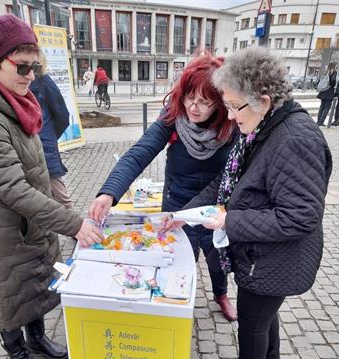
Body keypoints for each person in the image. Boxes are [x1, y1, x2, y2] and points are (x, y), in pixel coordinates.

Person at [163, 47, 332, 359]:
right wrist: (183, 213)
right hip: (266, 254)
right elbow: (226, 183)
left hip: (274, 257)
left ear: (264, 100)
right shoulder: (259, 126)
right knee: (265, 312)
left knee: (253, 320)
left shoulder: (294, 139)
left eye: (234, 106)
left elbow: (300, 216)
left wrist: (230, 220)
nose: (229, 114)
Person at [0, 15, 102, 359]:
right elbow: (12, 188)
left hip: (30, 219)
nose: (31, 75)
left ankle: (38, 339)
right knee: (8, 291)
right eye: (21, 66)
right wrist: (74, 223)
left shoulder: (17, 100)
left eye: (35, 66)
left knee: (36, 283)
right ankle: (18, 354)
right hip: (0, 228)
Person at [89, 53, 238, 321]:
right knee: (180, 260)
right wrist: (108, 192)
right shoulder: (173, 116)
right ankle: (177, 302)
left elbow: (231, 175)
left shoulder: (230, 125)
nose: (194, 107)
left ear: (219, 104)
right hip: (177, 204)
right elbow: (139, 154)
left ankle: (221, 294)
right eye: (190, 97)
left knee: (217, 259)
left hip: (215, 206)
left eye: (205, 102)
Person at [30, 52, 73, 209]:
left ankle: (80, 233)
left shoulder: (43, 82)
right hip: (24, 153)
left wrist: (49, 136)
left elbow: (62, 115)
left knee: (62, 200)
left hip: (45, 150)